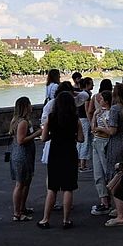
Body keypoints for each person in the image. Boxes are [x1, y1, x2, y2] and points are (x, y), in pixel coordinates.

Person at [37, 91, 82, 228]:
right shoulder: (75, 119)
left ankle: (45, 219)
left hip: (55, 153)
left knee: (52, 188)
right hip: (70, 153)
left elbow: (44, 138)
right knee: (68, 188)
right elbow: (81, 139)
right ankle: (66, 220)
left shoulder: (51, 118)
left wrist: (53, 135)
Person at [103, 83, 123, 227]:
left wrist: (101, 126)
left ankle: (121, 215)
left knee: (115, 176)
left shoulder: (115, 109)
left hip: (116, 144)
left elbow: (112, 131)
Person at [8, 96, 41, 221]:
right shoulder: (23, 122)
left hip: (21, 154)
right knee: (20, 184)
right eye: (30, 104)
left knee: (25, 182)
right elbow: (21, 140)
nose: (31, 106)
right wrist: (36, 134)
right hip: (22, 155)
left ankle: (22, 208)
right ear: (25, 107)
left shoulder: (18, 120)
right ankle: (17, 213)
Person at [89, 90, 113, 216]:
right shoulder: (100, 112)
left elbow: (110, 131)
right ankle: (104, 201)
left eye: (102, 99)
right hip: (96, 141)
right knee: (98, 173)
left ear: (107, 101)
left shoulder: (111, 113)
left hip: (104, 142)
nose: (99, 101)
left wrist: (99, 128)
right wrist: (94, 115)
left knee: (107, 172)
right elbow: (93, 128)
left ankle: (113, 202)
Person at [75, 77, 93, 173]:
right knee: (85, 141)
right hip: (85, 119)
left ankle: (78, 162)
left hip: (79, 118)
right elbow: (87, 109)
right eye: (91, 83)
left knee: (80, 141)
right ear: (87, 85)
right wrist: (91, 122)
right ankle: (83, 164)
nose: (93, 85)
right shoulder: (87, 95)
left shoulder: (80, 93)